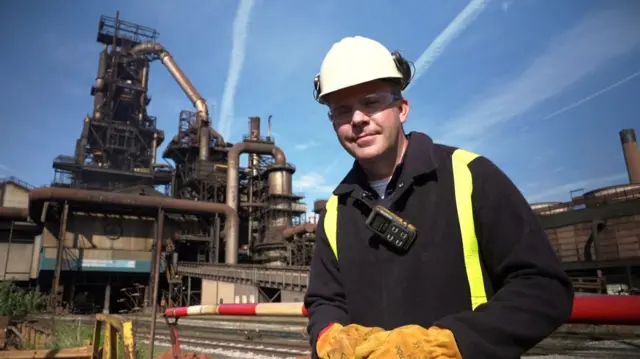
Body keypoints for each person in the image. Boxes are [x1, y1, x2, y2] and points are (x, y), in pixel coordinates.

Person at [303, 36, 575, 359]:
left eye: (372, 101)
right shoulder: (337, 211)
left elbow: (544, 287)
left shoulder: (470, 177)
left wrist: (451, 344)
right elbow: (324, 301)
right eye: (342, 111)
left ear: (402, 109)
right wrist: (329, 338)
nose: (358, 119)